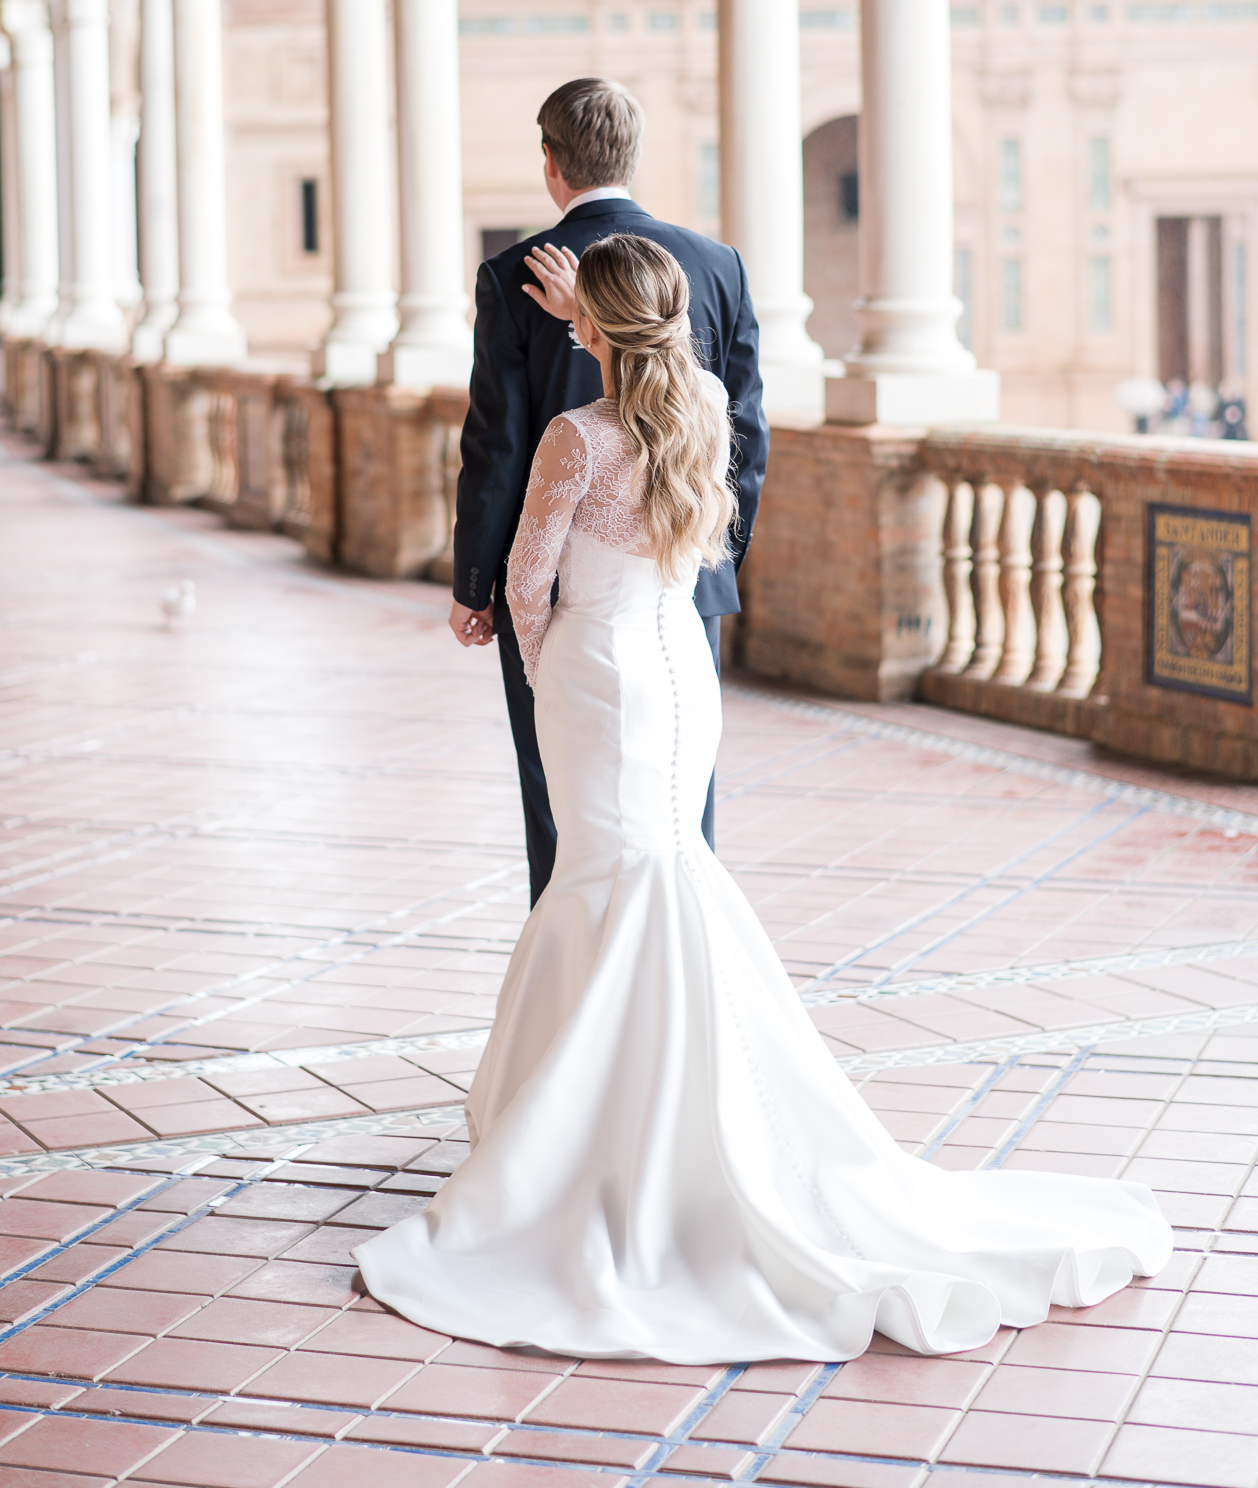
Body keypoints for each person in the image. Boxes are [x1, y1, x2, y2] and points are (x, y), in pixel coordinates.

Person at [357, 234, 1170, 1363]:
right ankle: (671, 1118)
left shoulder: (573, 437)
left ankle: (597, 1138)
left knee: (604, 882)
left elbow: (524, 586)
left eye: (581, 316)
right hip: (680, 670)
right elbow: (697, 544)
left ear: (588, 324)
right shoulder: (696, 405)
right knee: (663, 874)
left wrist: (549, 680)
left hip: (599, 675)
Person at [450, 78, 768, 904]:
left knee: (562, 801)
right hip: (681, 584)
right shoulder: (717, 265)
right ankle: (674, 973)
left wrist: (474, 584)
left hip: (567, 603)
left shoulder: (511, 275)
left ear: (550, 162)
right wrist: (709, 558)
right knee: (678, 803)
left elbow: (496, 445)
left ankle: (574, 978)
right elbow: (747, 438)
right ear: (633, 155)